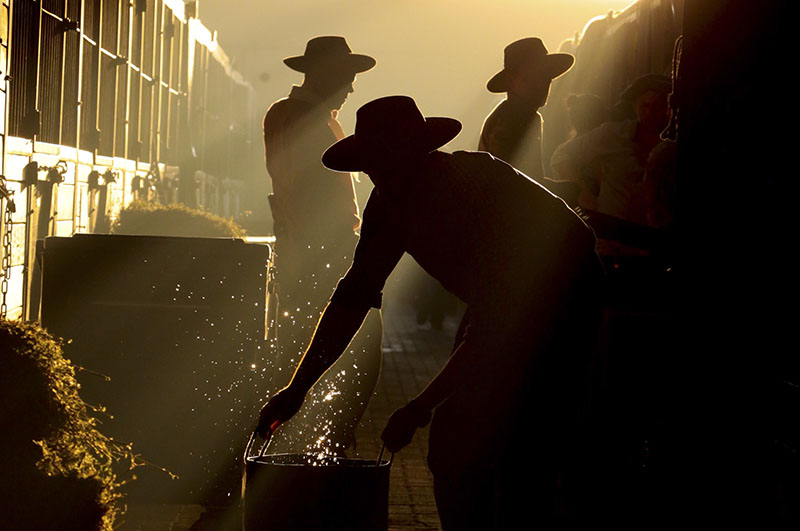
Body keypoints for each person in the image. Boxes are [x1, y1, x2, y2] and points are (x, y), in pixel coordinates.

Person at [258, 96, 605, 528]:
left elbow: (500, 325)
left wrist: (419, 406)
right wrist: (299, 387)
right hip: (498, 306)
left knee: (520, 445)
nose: (379, 178)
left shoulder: (473, 188)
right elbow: (354, 295)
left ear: (419, 156)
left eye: (388, 165)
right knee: (460, 443)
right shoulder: (388, 204)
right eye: (371, 168)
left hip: (569, 299)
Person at [262, 36, 382, 455]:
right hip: (321, 253)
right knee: (347, 352)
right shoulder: (303, 118)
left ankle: (319, 444)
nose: (351, 87)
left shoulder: (304, 115)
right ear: (326, 74)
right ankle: (316, 446)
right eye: (347, 76)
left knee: (331, 353)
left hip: (318, 251)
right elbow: (308, 192)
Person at [550, 74, 672, 224]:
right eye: (645, 105)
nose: (651, 113)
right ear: (635, 106)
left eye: (659, 106)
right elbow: (562, 155)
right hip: (609, 235)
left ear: (669, 109)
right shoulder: (613, 135)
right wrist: (584, 195)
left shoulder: (675, 147)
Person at [479, 37, 574, 183]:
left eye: (545, 77)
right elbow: (509, 180)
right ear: (511, 80)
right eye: (532, 78)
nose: (541, 84)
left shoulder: (510, 113)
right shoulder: (515, 118)